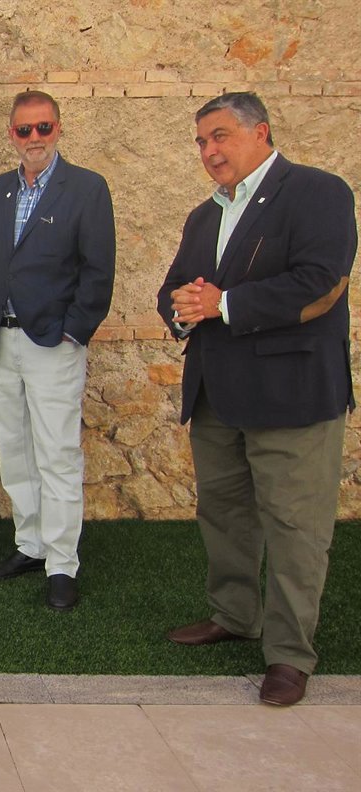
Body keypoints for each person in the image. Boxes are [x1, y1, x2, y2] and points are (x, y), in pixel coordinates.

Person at [158, 92, 356, 706]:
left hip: (291, 393)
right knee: (223, 513)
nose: (209, 151)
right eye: (201, 141)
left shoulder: (318, 192)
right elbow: (176, 287)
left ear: (261, 131)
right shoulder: (204, 215)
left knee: (295, 524)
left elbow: (321, 282)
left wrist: (223, 304)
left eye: (219, 136)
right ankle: (234, 615)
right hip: (216, 394)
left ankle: (290, 654)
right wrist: (181, 308)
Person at [0, 90, 116, 611]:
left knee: (58, 455)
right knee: (15, 451)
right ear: (12, 135)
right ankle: (31, 544)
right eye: (24, 130)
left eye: (43, 127)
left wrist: (74, 332)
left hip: (53, 344)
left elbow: (98, 272)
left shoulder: (87, 188)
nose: (34, 138)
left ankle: (62, 563)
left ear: (58, 128)